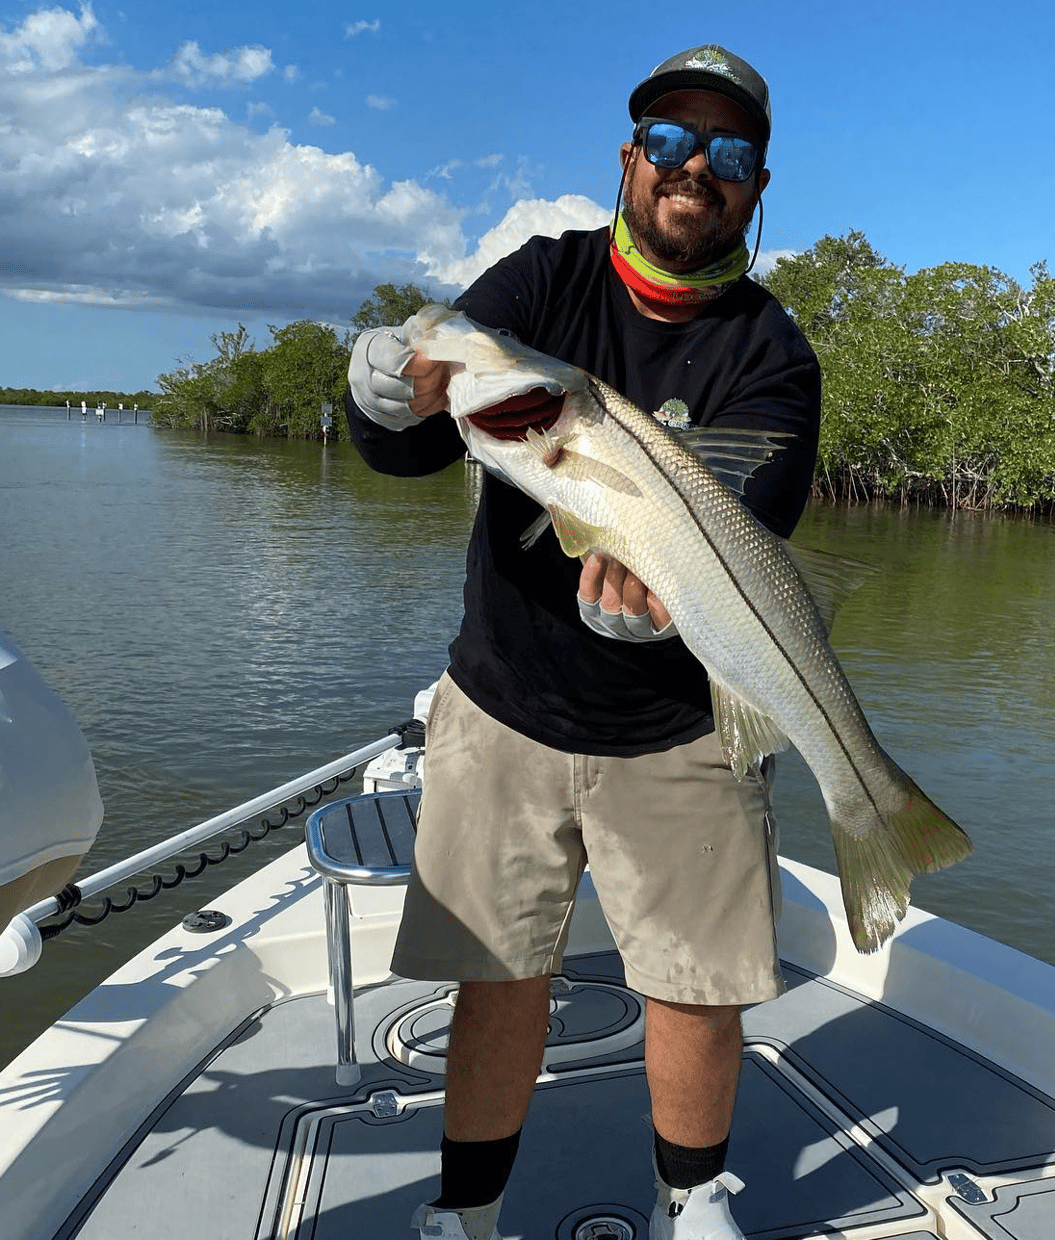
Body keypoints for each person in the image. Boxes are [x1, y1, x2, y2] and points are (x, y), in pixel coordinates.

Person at [346, 44, 820, 1240]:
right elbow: (423, 428)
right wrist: (384, 395)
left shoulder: (772, 353)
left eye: (728, 150)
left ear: (757, 184)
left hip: (678, 720)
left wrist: (656, 606)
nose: (693, 166)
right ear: (628, 157)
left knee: (696, 987)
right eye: (668, 139)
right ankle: (466, 1214)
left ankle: (693, 1201)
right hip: (503, 702)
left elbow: (742, 534)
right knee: (497, 974)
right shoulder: (543, 280)